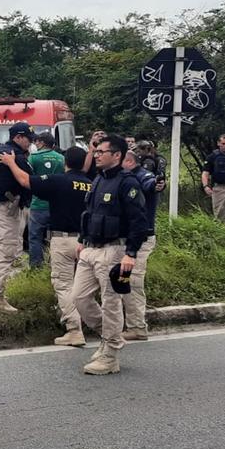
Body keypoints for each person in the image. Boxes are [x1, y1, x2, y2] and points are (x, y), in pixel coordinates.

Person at [70, 135, 147, 375]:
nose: (97, 154)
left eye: (102, 151)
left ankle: (110, 355)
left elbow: (139, 221)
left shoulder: (128, 183)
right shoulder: (97, 180)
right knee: (79, 298)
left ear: (117, 155)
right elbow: (89, 213)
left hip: (115, 250)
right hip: (91, 248)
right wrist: (83, 240)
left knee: (111, 302)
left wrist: (131, 253)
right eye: (96, 150)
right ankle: (109, 337)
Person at [4, 147, 93, 346]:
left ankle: (74, 329)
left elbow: (26, 181)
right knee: (83, 287)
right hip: (86, 242)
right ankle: (94, 325)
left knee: (63, 285)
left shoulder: (59, 180)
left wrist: (10, 163)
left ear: (65, 163)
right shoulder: (90, 184)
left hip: (63, 240)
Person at [0, 123, 35, 314]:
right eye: (29, 138)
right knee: (5, 254)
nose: (30, 142)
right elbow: (29, 181)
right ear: (19, 137)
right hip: (7, 210)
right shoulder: (16, 157)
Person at [120, 150, 159, 342]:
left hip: (142, 237)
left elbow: (151, 185)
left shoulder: (143, 175)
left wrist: (157, 184)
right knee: (121, 279)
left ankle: (137, 327)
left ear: (128, 161)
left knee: (133, 281)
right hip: (125, 237)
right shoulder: (122, 177)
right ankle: (125, 323)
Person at [25, 132, 64, 267]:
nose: (35, 144)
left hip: (38, 203)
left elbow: (27, 179)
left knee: (35, 237)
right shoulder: (61, 158)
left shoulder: (33, 158)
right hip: (57, 204)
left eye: (36, 142)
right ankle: (55, 264)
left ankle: (36, 268)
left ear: (41, 142)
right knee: (56, 237)